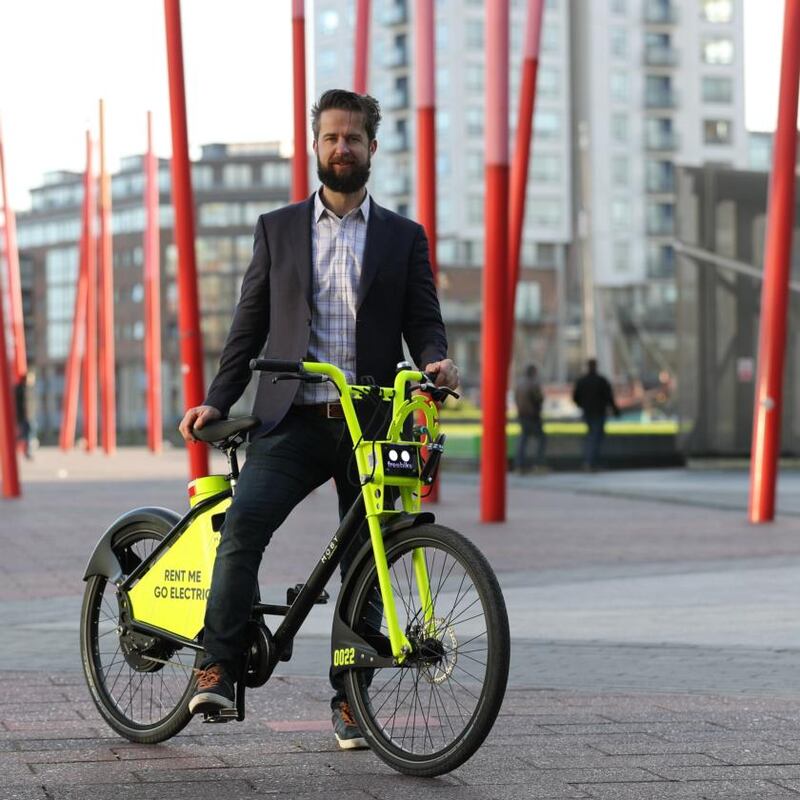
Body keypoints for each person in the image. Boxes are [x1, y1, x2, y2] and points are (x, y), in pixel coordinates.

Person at [178, 90, 458, 750]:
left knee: (367, 556)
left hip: (372, 422)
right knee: (245, 522)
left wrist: (438, 362)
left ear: (372, 148)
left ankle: (350, 701)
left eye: (353, 139)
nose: (341, 148)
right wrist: (219, 398)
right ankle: (213, 664)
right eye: (331, 137)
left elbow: (424, 322)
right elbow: (247, 324)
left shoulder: (402, 237)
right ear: (315, 144)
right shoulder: (278, 229)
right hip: (294, 417)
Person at [572, 358, 619, 471]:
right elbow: (609, 397)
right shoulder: (601, 380)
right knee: (596, 438)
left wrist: (582, 406)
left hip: (588, 412)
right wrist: (615, 410)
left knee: (591, 437)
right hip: (598, 412)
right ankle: (591, 462)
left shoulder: (582, 381)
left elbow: (575, 397)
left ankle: (590, 461)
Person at [513, 363, 545, 473]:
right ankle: (538, 463)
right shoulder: (533, 384)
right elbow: (539, 399)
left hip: (522, 415)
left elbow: (516, 399)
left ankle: (519, 464)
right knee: (541, 439)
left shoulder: (519, 384)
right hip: (533, 416)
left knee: (523, 440)